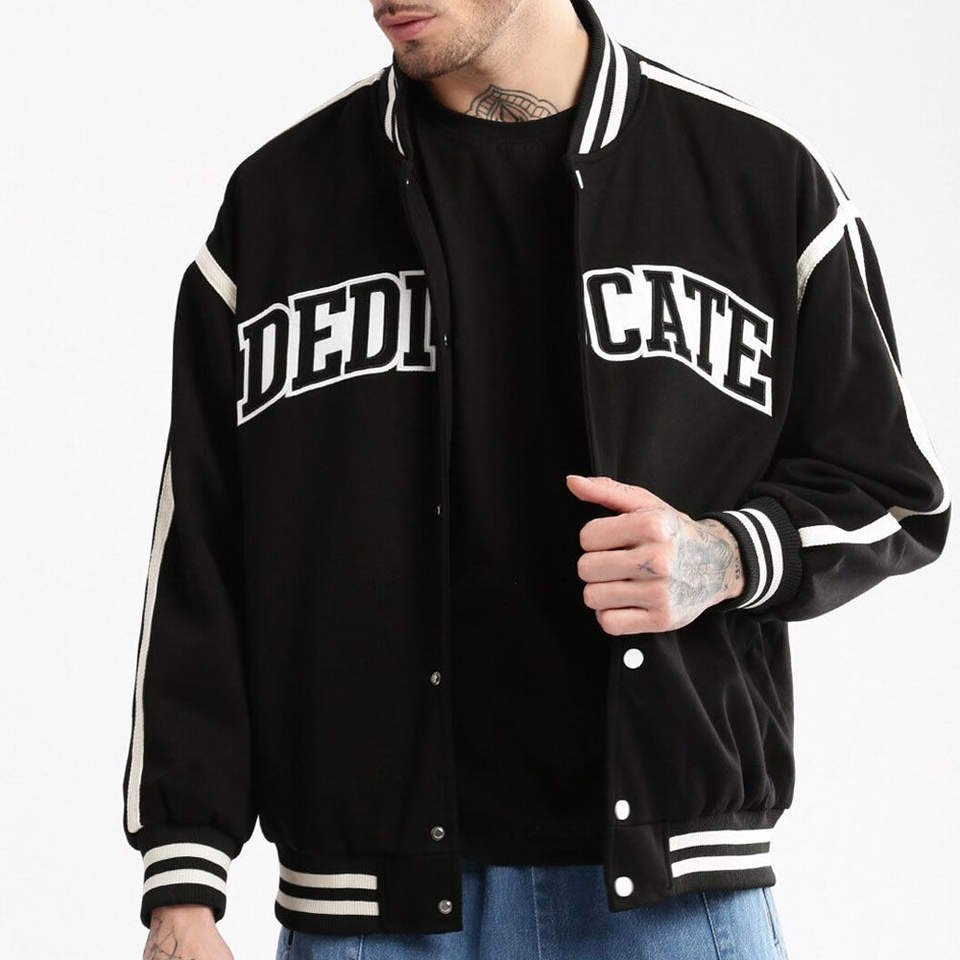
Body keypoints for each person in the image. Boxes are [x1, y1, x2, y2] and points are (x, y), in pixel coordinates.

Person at [121, 1, 950, 958]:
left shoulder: (761, 179)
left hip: (671, 906)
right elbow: (201, 545)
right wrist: (183, 878)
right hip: (370, 911)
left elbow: (894, 490)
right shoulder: (279, 202)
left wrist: (723, 556)